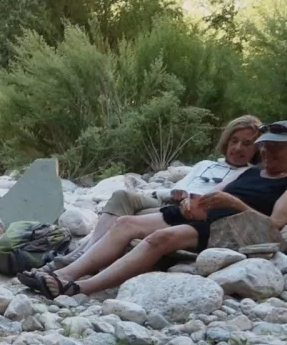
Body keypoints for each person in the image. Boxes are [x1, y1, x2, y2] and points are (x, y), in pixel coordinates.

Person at [20, 121, 287, 299]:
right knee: (124, 223)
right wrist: (192, 203)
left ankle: (79, 289)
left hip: (231, 230)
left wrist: (233, 204)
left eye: (278, 148)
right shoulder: (251, 173)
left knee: (157, 240)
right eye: (266, 147)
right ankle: (65, 273)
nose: (268, 152)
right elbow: (217, 195)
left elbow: (272, 226)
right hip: (207, 217)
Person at [46, 115, 262, 271]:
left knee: (126, 218)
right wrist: (173, 192)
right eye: (234, 141)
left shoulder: (246, 174)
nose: (238, 148)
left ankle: (78, 258)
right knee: (122, 196)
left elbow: (215, 196)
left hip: (189, 211)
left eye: (246, 143)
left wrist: (187, 198)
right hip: (167, 199)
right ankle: (83, 254)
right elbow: (177, 186)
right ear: (226, 142)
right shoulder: (206, 164)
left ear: (257, 149)